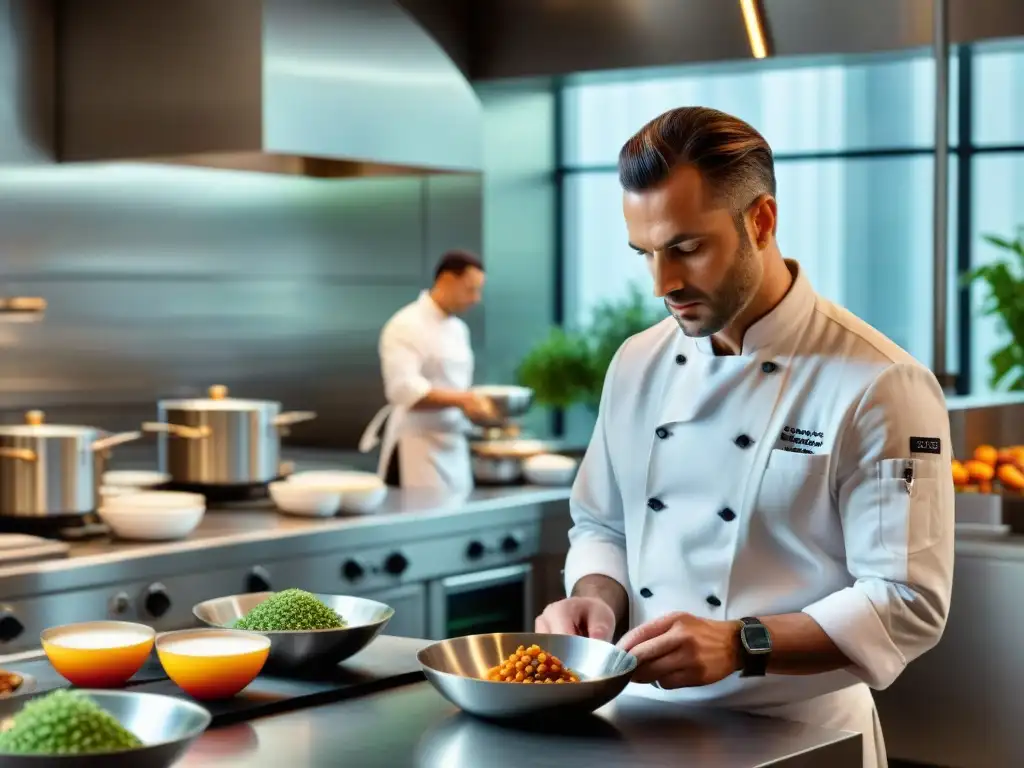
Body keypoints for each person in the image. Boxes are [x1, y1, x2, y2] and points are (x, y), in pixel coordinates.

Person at [534, 107, 954, 768]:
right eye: (646, 253)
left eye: (686, 247)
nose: (662, 284)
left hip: (801, 737)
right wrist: (594, 595)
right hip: (635, 727)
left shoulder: (881, 383)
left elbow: (907, 601)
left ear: (760, 221)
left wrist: (742, 643)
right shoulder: (637, 362)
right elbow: (601, 525)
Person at [360, 250, 496, 493]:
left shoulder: (459, 330)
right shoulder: (405, 324)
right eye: (470, 289)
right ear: (445, 281)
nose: (476, 298)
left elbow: (457, 388)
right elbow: (403, 390)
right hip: (415, 448)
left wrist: (475, 408)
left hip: (453, 446)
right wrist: (464, 400)